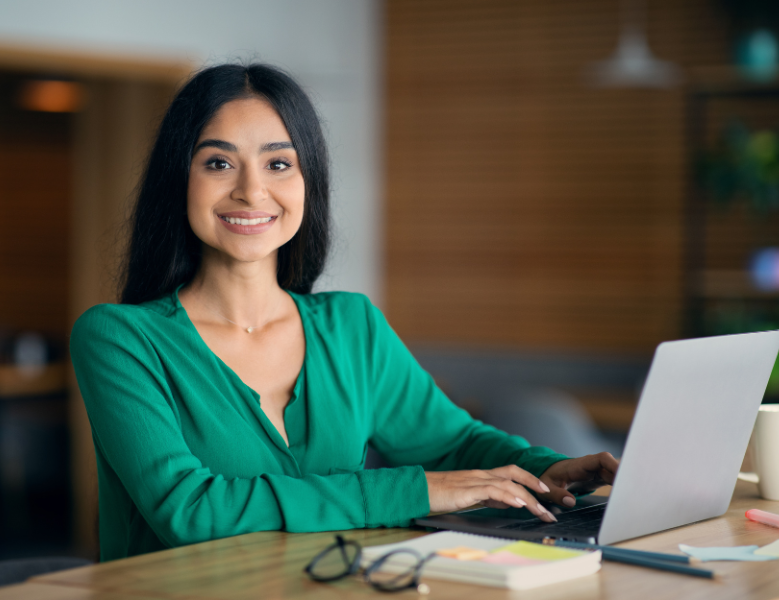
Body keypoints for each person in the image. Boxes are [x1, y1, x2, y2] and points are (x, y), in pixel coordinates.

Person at [70, 63, 619, 562]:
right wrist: (416, 490)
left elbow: (453, 442)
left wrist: (544, 467)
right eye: (218, 162)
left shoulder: (350, 326)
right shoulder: (119, 339)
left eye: (279, 163)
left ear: (308, 185)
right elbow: (189, 510)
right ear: (178, 181)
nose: (251, 190)